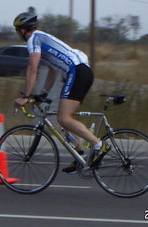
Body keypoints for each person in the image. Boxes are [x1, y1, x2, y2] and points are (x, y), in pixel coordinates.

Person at [13, 12, 110, 173]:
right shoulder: (42, 39)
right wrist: (43, 94)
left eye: (17, 30)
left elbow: (32, 68)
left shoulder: (34, 39)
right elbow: (52, 71)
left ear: (24, 30)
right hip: (80, 72)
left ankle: (98, 144)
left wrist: (26, 96)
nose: (17, 34)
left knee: (63, 118)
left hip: (76, 72)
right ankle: (80, 155)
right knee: (66, 118)